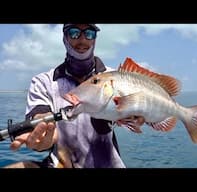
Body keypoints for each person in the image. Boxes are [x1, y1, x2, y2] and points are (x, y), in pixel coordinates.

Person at [4, 24, 129, 168]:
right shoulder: (43, 81)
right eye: (74, 32)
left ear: (95, 39)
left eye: (89, 33)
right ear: (65, 38)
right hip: (61, 164)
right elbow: (39, 114)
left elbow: (136, 112)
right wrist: (43, 129)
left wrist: (134, 116)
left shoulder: (115, 78)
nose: (82, 39)